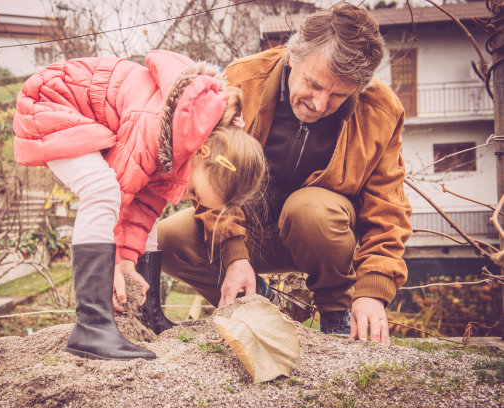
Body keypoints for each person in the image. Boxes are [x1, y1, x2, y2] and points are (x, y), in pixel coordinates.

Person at [158, 2, 412, 346]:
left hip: (323, 237)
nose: (320, 104)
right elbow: (210, 172)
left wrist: (372, 292)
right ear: (293, 57)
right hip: (248, 229)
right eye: (313, 84)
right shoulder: (241, 80)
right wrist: (234, 256)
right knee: (168, 239)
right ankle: (258, 299)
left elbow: (389, 209)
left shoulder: (381, 111)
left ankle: (335, 313)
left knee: (310, 210)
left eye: (338, 95)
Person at [13, 50, 268, 360]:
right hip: (53, 101)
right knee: (102, 190)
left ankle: (146, 314)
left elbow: (143, 210)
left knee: (149, 221)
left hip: (85, 112)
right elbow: (121, 193)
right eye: (197, 192)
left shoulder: (182, 144)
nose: (192, 199)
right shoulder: (155, 124)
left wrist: (127, 261)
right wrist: (115, 264)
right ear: (202, 153)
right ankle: (92, 326)